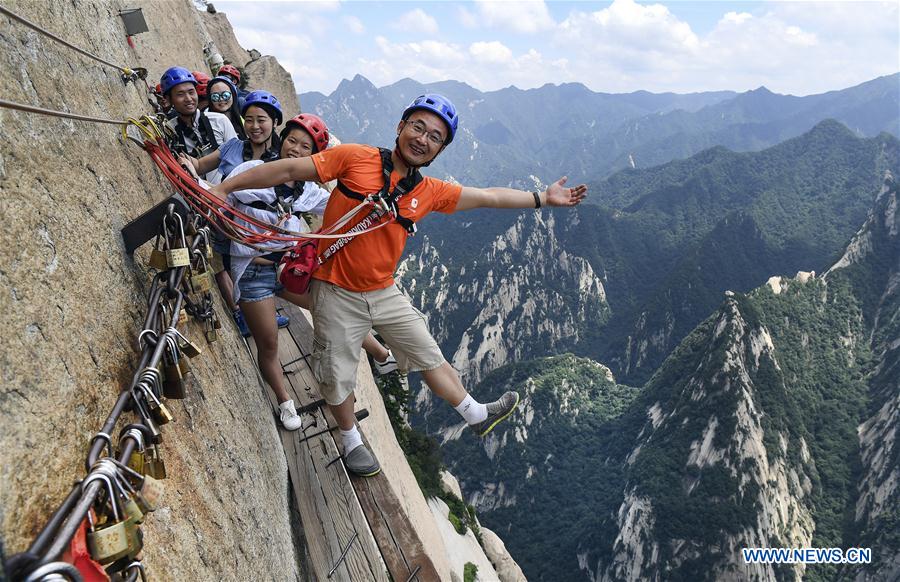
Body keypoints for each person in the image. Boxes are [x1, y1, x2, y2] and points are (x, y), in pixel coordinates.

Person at [210, 93, 587, 476]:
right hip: (336, 289)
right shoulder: (355, 158)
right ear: (400, 127)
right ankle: (350, 439)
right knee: (336, 373)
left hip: (383, 291)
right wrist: (223, 189)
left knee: (427, 351)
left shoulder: (428, 192)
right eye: (418, 127)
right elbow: (286, 171)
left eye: (435, 136)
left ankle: (474, 413)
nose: (423, 139)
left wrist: (541, 198)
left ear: (440, 149)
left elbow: (487, 196)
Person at [194, 113, 396, 430]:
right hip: (252, 272)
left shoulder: (306, 191)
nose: (296, 150)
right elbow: (220, 197)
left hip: (288, 269)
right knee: (270, 344)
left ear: (314, 155)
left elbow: (345, 209)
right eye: (292, 141)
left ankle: (384, 356)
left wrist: (375, 204)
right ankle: (285, 402)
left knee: (332, 307)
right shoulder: (251, 172)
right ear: (282, 139)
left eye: (305, 147)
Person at [180, 90, 288, 335]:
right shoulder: (233, 147)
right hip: (222, 223)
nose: (254, 126)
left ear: (274, 122)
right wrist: (188, 163)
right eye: (249, 120)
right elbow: (201, 165)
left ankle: (261, 314)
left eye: (261, 120)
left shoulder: (282, 160)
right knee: (223, 266)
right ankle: (242, 314)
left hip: (255, 233)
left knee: (257, 276)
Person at [160, 67, 237, 178]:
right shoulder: (169, 131)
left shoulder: (220, 121)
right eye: (180, 94)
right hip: (195, 192)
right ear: (169, 99)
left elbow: (236, 158)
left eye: (191, 92)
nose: (188, 98)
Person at [205, 75, 246, 140]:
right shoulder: (205, 123)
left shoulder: (242, 120)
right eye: (215, 96)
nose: (221, 99)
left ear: (233, 95)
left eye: (225, 95)